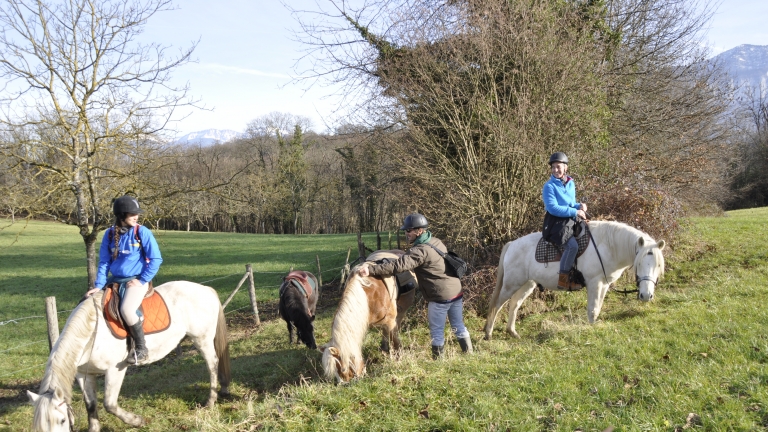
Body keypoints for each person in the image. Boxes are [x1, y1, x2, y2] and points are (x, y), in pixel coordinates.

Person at [358, 213, 472, 359]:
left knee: (436, 330)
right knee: (458, 324)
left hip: (440, 297)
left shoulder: (419, 251)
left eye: (408, 230)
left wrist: (371, 269)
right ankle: (469, 353)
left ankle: (439, 361)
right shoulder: (436, 241)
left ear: (419, 231)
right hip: (456, 291)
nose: (406, 233)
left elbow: (398, 266)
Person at [85, 195, 163, 364]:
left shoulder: (142, 232)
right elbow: (104, 261)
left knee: (127, 309)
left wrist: (142, 280)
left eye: (137, 213)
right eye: (132, 213)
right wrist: (99, 285)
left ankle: (142, 349)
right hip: (115, 280)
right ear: (121, 216)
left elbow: (156, 259)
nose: (137, 216)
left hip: (135, 280)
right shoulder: (109, 234)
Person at [543, 152, 588, 290]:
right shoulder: (549, 186)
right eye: (553, 167)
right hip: (556, 223)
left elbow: (570, 203)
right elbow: (553, 208)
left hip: (570, 219)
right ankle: (563, 279)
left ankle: (578, 275)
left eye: (558, 167)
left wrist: (579, 205)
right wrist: (575, 211)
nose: (556, 170)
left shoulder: (570, 183)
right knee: (572, 246)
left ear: (565, 168)